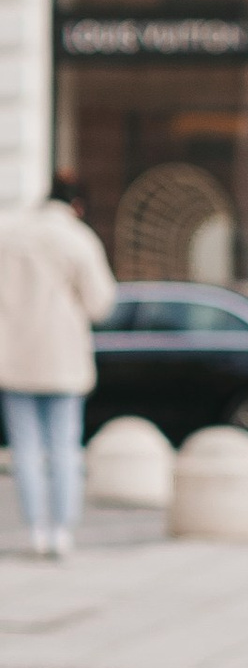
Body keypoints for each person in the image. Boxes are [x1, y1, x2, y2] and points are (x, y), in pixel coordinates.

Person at [0, 182, 115, 560]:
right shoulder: (78, 240)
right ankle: (62, 531)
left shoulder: (9, 236)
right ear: (76, 205)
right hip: (62, 358)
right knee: (65, 447)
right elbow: (101, 304)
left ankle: (35, 530)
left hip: (15, 357)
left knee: (25, 450)